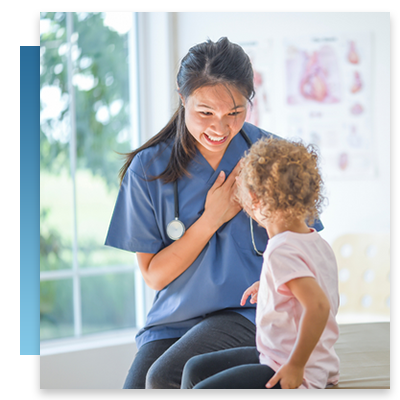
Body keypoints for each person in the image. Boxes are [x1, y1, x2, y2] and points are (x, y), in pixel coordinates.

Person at [105, 37, 324, 389]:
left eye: (234, 113)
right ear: (182, 98)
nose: (219, 129)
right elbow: (154, 276)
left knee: (164, 378)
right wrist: (211, 219)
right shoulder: (148, 169)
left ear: (250, 101)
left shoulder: (271, 159)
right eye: (205, 112)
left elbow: (306, 249)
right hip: (172, 321)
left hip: (248, 314)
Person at [181, 138, 340, 389]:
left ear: (253, 198)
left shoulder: (281, 249)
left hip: (293, 370)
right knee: (194, 368)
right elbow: (311, 284)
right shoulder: (314, 241)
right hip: (286, 358)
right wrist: (268, 285)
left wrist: (296, 366)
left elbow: (318, 306)